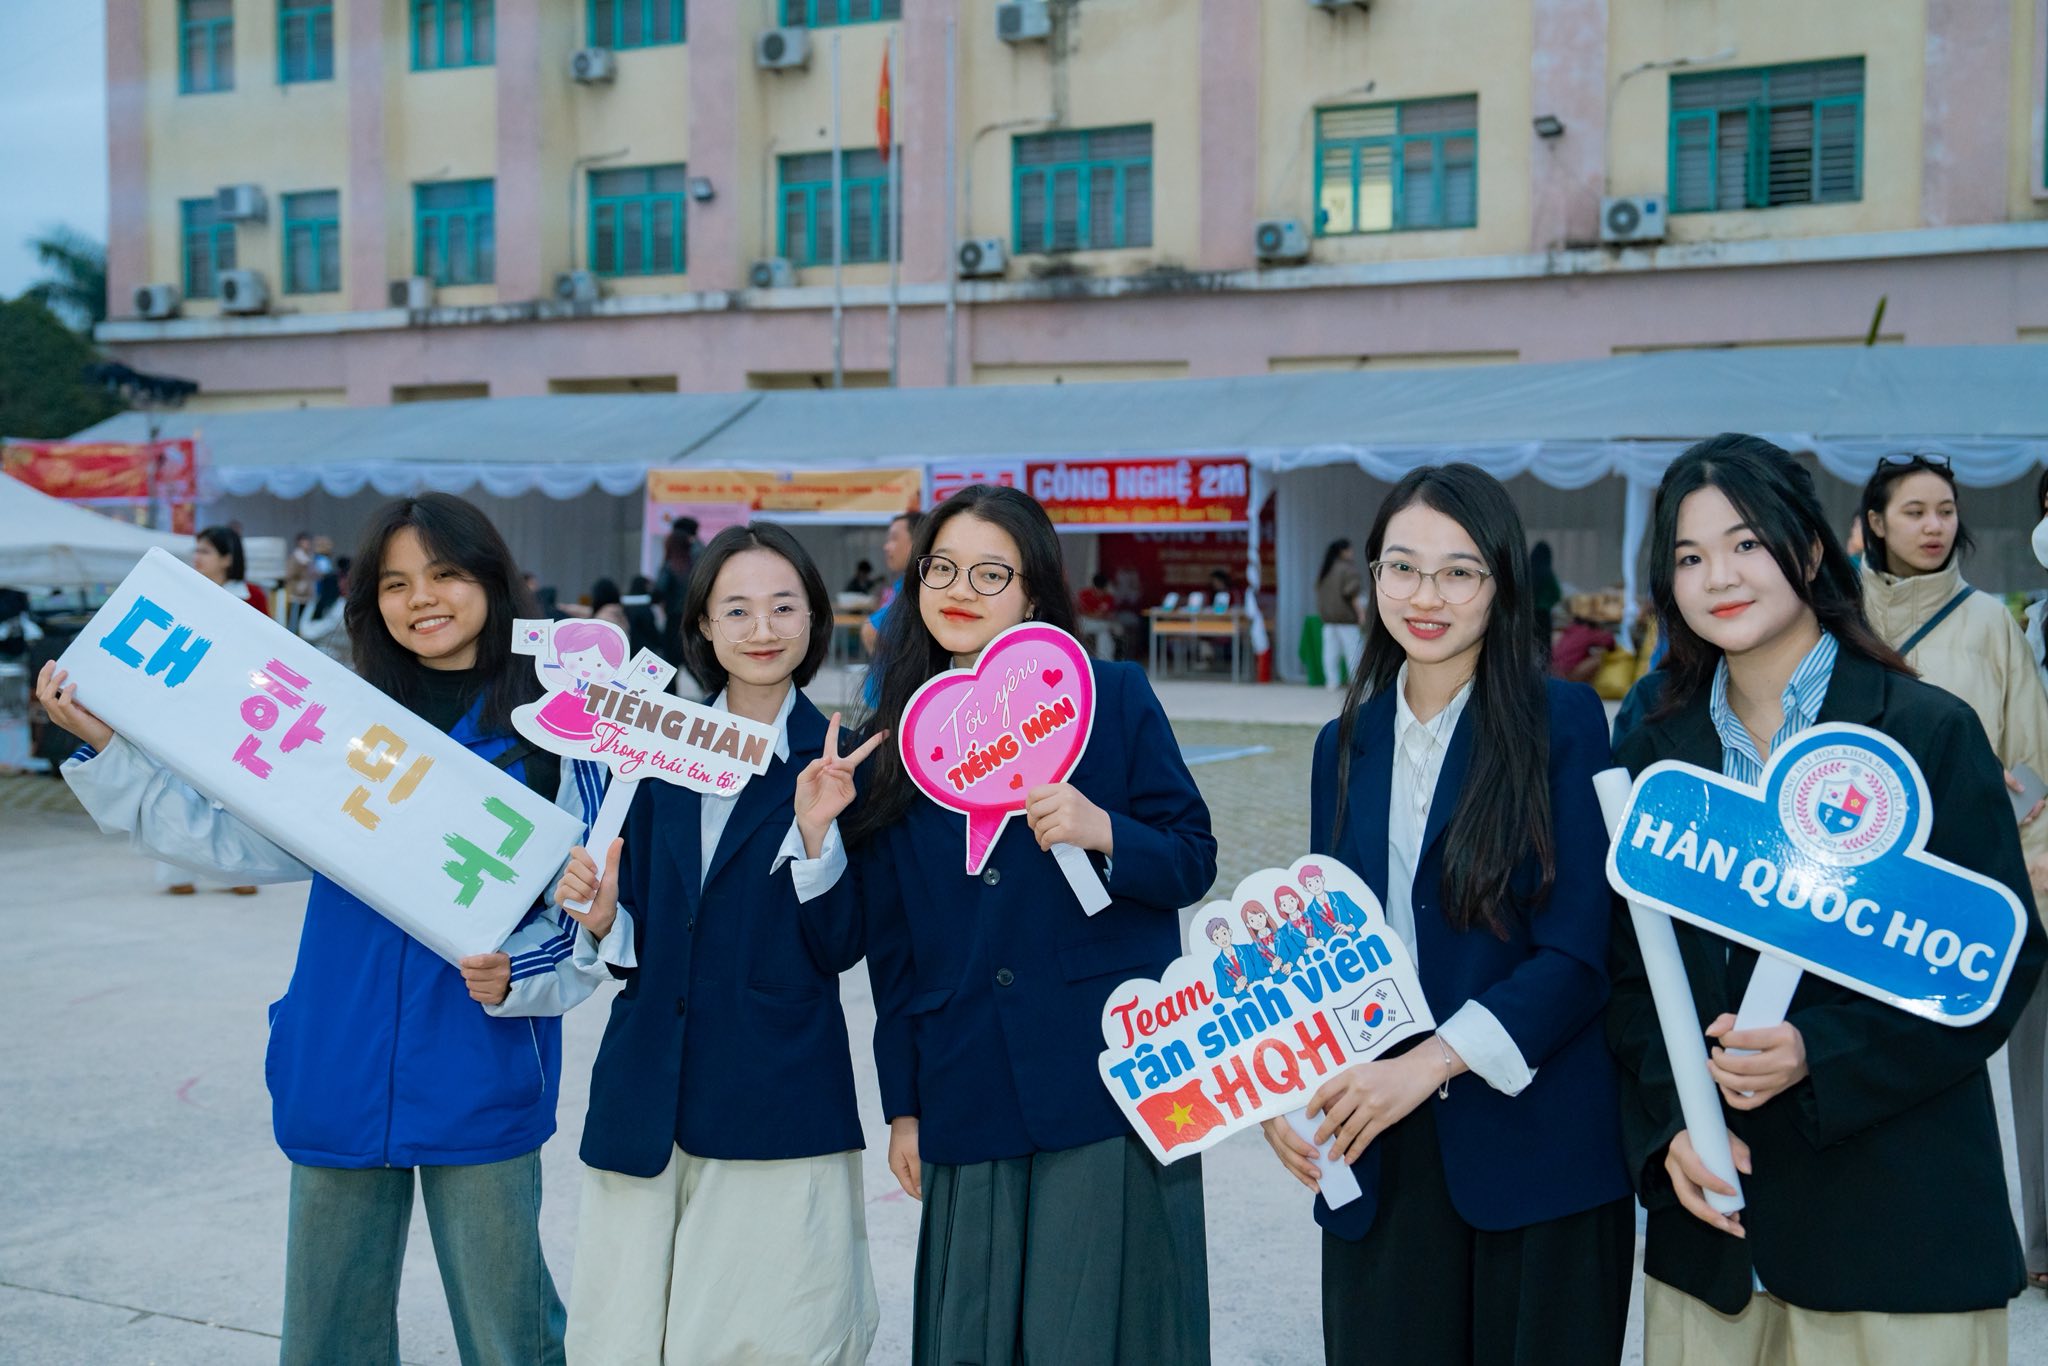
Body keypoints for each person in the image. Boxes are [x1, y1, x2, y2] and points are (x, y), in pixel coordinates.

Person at [37, 493, 608, 1366]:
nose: (422, 598)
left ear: (494, 581)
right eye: (395, 583)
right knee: (328, 1333)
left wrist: (521, 974)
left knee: (511, 1331)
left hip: (480, 1056)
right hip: (339, 1053)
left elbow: (592, 914)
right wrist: (110, 752)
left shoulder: (557, 733)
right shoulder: (341, 719)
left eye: (446, 574)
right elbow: (226, 839)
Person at [1609, 434, 2047, 1364]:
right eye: (1689, 557)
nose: (1719, 577)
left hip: (1895, 1238)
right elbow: (1627, 974)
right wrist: (1671, 1130)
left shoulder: (1926, 731)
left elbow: (1997, 966)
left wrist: (1821, 1053)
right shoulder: (1653, 750)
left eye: (1745, 544)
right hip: (1716, 1248)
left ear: (1809, 550)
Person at [1262, 463, 1634, 1366]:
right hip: (1381, 1148)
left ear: (1500, 583)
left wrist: (1427, 1065)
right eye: (1402, 567)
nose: (1425, 596)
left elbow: (1579, 954)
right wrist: (1278, 1083)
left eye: (1458, 572)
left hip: (1535, 1145)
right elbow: (1324, 946)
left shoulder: (1562, 721)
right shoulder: (1342, 745)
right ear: (1372, 577)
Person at [848, 484, 1216, 1365]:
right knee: (975, 1333)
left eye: (990, 572)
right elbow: (893, 952)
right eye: (941, 568)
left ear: (1035, 593)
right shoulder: (894, 740)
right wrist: (904, 1107)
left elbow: (1191, 857)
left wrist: (1105, 831)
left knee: (1100, 1331)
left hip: (1107, 1074)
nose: (959, 589)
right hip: (966, 1073)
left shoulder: (1113, 698)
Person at [556, 522, 886, 1364]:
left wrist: (818, 836)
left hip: (774, 1096)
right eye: (736, 609)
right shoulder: (651, 750)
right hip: (645, 1090)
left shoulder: (841, 760)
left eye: (783, 606)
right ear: (702, 623)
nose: (762, 629)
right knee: (619, 1335)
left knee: (764, 1338)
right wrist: (606, 921)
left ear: (814, 619)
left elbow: (842, 944)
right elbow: (644, 933)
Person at [1857, 451, 2048, 1296]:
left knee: (1952, 1064)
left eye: (1944, 510)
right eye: (1914, 511)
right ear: (1875, 523)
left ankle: (1994, 1242)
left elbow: (2032, 760)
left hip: (1965, 884)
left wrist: (2030, 858)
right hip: (1855, 883)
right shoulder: (1835, 621)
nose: (1934, 526)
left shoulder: (1989, 623)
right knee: (1862, 1057)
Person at [860, 509, 925, 708]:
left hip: (897, 703)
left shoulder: (918, 587)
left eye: (894, 538)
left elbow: (871, 631)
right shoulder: (904, 584)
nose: (886, 546)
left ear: (917, 541)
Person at [654, 519, 703, 669]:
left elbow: (659, 590)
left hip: (675, 618)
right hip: (695, 615)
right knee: (693, 660)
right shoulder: (702, 555)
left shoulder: (672, 564)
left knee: (670, 662)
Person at [1317, 538, 1364, 691]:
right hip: (1346, 619)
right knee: (1354, 652)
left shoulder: (1326, 570)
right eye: (1350, 550)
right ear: (1343, 551)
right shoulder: (1348, 569)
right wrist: (1361, 614)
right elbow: (1352, 594)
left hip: (1328, 620)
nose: (1352, 553)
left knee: (1330, 653)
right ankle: (1356, 682)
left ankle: (1332, 682)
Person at [194, 524, 269, 617]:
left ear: (227, 559)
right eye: (197, 551)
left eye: (205, 552)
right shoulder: (190, 589)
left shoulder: (254, 596)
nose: (196, 558)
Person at [297, 568, 352, 669]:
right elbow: (305, 631)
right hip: (327, 661)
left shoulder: (342, 608)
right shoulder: (328, 604)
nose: (343, 584)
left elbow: (306, 632)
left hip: (336, 663)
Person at [622, 573, 662, 662]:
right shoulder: (644, 606)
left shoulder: (626, 605)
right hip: (646, 649)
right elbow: (650, 629)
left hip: (630, 648)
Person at [285, 530, 317, 630]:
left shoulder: (310, 557)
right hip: (296, 593)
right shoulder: (296, 557)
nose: (307, 544)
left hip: (306, 593)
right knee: (293, 620)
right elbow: (289, 573)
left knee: (302, 619)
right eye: (305, 541)